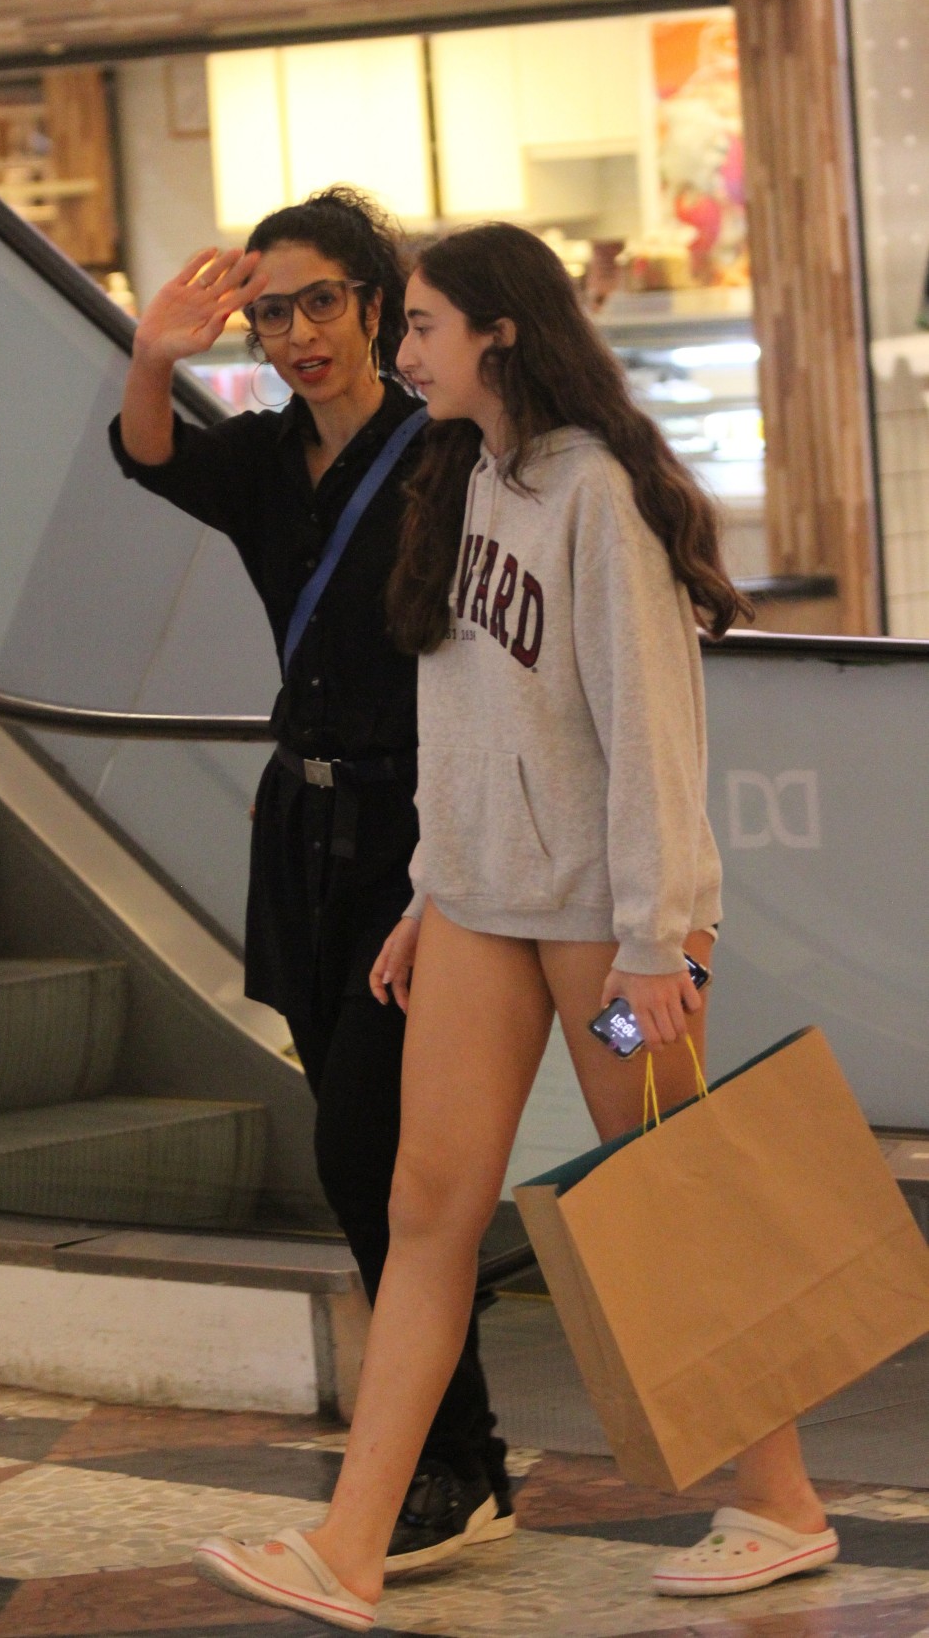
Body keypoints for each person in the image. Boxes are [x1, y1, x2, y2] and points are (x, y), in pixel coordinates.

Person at [192, 222, 840, 1631]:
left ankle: (781, 1499)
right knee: (428, 1211)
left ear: (494, 333)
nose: (399, 350)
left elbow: (657, 730)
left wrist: (659, 944)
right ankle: (349, 1544)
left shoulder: (595, 495)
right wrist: (433, 888)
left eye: (417, 326)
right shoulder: (467, 483)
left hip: (613, 943)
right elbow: (462, 716)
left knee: (657, 1201)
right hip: (484, 917)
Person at [110, 188, 513, 1571]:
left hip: (425, 845)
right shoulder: (271, 460)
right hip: (303, 843)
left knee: (370, 1156)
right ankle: (454, 1457)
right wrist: (157, 351)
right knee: (364, 1169)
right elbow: (149, 457)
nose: (296, 335)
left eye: (321, 304)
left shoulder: (447, 452)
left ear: (377, 301)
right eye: (270, 312)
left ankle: (450, 1459)